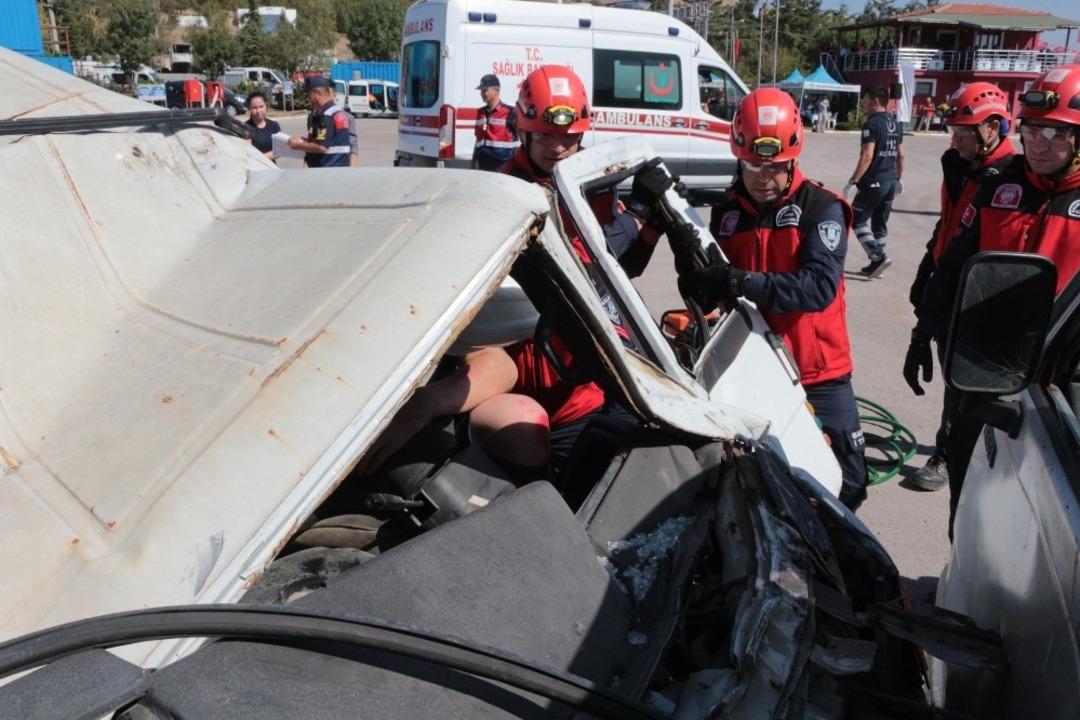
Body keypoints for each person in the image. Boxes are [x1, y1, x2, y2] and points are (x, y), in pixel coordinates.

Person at [363, 65, 671, 479]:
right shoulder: (508, 198)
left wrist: (651, 224)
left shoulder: (590, 187)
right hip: (523, 374)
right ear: (524, 131)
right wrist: (631, 221)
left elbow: (617, 274)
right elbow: (576, 267)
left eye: (568, 136)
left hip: (588, 379)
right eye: (544, 135)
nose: (558, 147)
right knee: (535, 455)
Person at [904, 65, 1080, 537]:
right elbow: (955, 262)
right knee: (968, 493)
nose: (1038, 143)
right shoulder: (1000, 185)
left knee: (1045, 514)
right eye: (1031, 129)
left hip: (1058, 380)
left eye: (1053, 132)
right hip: (981, 368)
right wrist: (923, 332)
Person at [684, 88, 868, 510]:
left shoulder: (823, 209)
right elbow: (718, 285)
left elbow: (817, 288)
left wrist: (740, 281)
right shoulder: (728, 214)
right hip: (754, 370)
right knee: (756, 481)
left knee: (848, 481)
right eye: (752, 166)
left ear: (793, 158)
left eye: (775, 167)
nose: (763, 177)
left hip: (818, 372)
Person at [906, 82, 1016, 493]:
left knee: (962, 384)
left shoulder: (1008, 178)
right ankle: (952, 445)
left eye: (965, 132)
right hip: (948, 284)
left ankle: (947, 454)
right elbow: (948, 224)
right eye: (954, 130)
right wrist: (926, 268)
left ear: (993, 128)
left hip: (977, 301)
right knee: (954, 378)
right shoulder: (959, 165)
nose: (956, 139)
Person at [843, 85, 904, 278]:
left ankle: (878, 257)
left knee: (857, 219)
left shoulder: (872, 124)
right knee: (879, 222)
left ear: (875, 101)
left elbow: (867, 155)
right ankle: (877, 267)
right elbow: (901, 155)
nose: (864, 105)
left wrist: (853, 181)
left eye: (866, 101)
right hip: (891, 180)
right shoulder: (896, 124)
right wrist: (899, 178)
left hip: (875, 181)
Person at [288, 76, 351, 168]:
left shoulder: (326, 115)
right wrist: (305, 141)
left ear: (318, 94)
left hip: (326, 170)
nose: (308, 99)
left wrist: (298, 145)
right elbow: (330, 141)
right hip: (339, 168)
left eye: (309, 95)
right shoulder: (338, 111)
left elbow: (321, 147)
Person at [471, 74, 519, 172]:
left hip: (503, 167)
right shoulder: (480, 113)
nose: (482, 93)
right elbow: (478, 140)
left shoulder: (510, 112)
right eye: (481, 91)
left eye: (485, 90)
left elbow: (522, 140)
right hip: (482, 165)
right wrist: (473, 161)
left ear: (496, 90)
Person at [244, 91, 280, 160]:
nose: (258, 111)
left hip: (272, 167)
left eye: (261, 106)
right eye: (254, 108)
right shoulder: (245, 127)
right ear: (249, 108)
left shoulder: (274, 126)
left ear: (266, 106)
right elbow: (247, 153)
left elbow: (279, 151)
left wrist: (261, 158)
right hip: (254, 168)